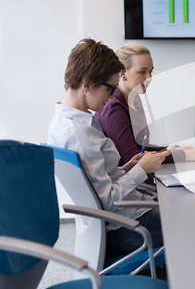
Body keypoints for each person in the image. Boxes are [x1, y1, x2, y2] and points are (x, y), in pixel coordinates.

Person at [47, 38, 170, 256]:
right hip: (126, 225)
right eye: (110, 89)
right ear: (87, 85)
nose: (113, 95)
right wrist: (142, 170)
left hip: (124, 216)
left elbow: (95, 182)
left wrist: (127, 168)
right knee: (194, 220)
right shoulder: (79, 134)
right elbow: (106, 201)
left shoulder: (68, 121)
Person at [95, 42, 195, 165]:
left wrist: (170, 150)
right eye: (142, 72)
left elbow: (141, 147)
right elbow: (131, 157)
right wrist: (181, 155)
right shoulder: (112, 107)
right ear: (122, 73)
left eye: (151, 71)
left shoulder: (134, 98)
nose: (149, 78)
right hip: (127, 179)